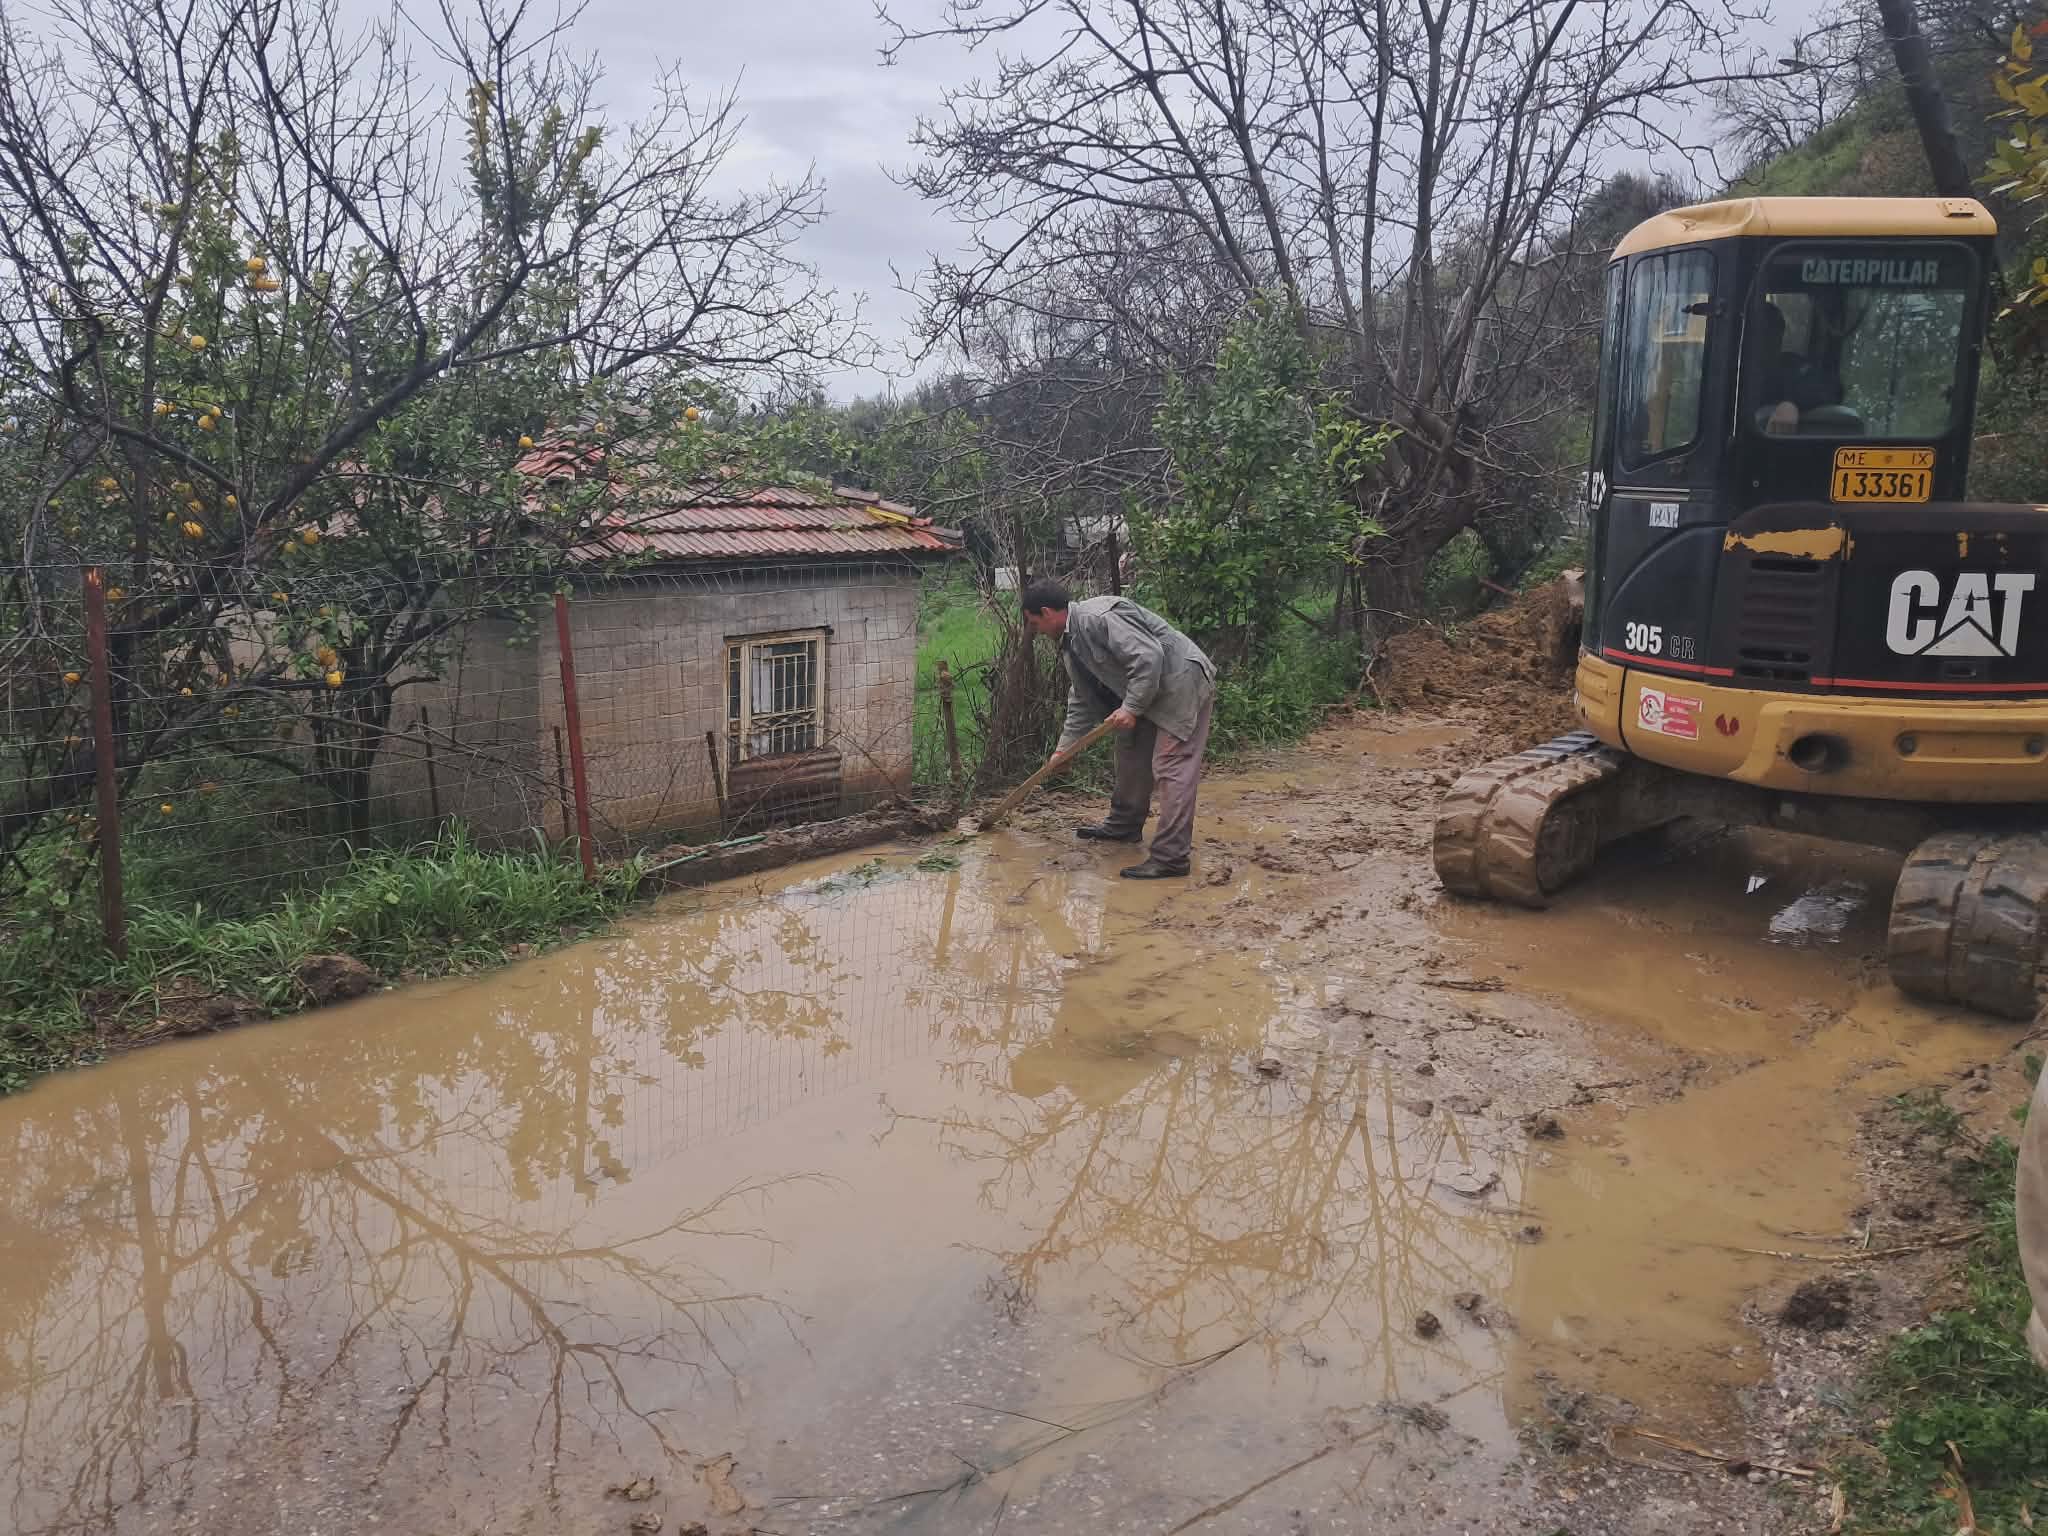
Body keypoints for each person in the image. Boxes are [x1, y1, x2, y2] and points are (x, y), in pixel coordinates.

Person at [1020, 578, 1216, 880]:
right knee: (1130, 752)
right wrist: (1065, 748)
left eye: (1034, 623)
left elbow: (1148, 657)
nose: (1036, 631)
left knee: (1171, 766)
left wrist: (1131, 708)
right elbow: (1082, 699)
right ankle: (1124, 825)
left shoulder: (1098, 618)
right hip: (1150, 690)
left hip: (1180, 683)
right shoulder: (1071, 643)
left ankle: (1171, 858)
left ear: (1047, 612)